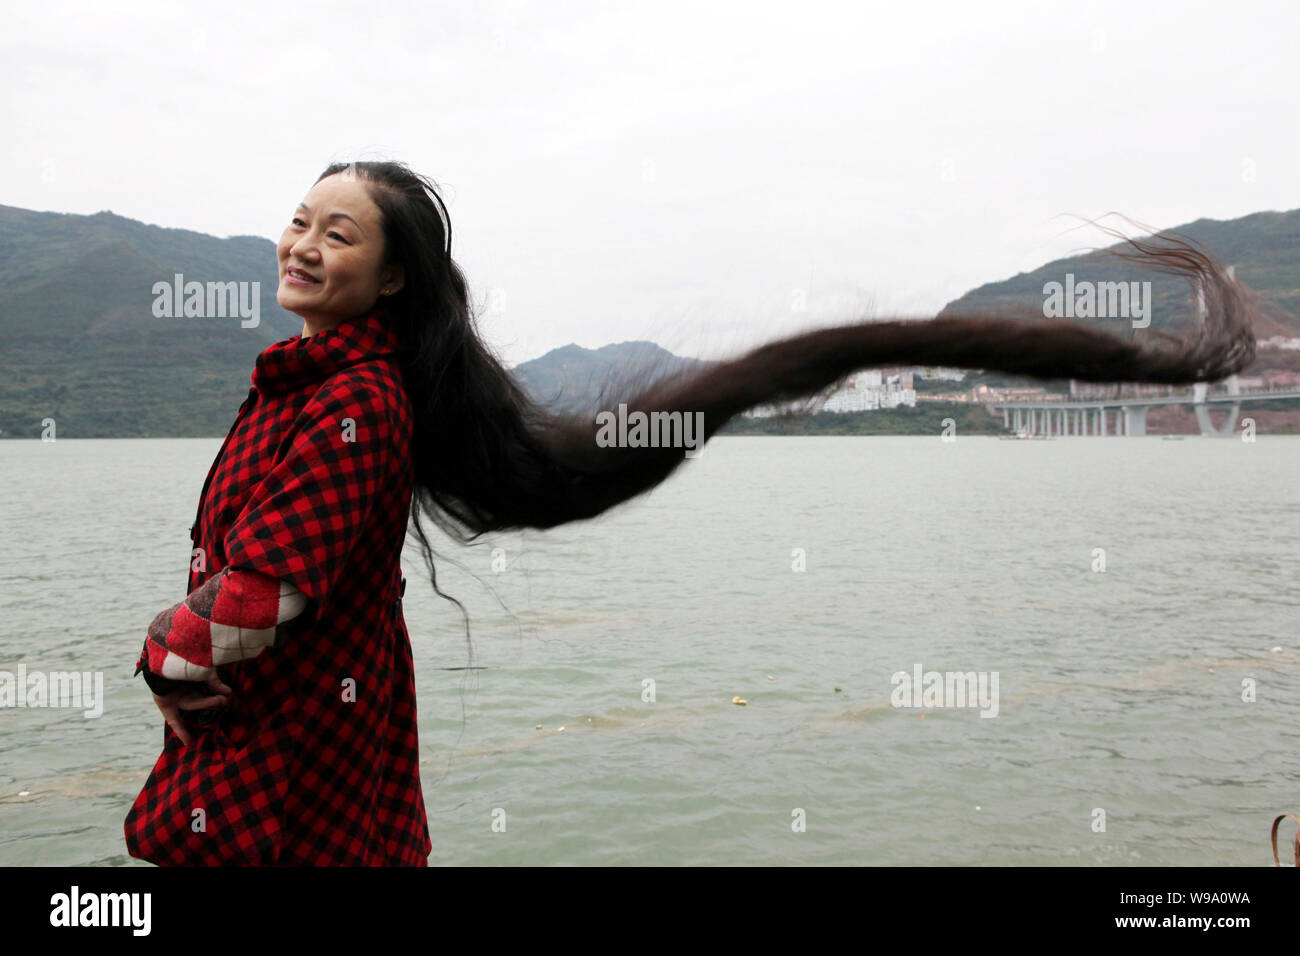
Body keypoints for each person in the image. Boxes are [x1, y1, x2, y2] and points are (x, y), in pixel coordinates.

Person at [125, 160, 1260, 866]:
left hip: (288, 753)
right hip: (308, 735)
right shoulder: (319, 385)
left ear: (392, 280)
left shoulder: (356, 406)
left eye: (338, 232)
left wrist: (166, 655)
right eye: (298, 220)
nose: (302, 242)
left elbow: (266, 588)